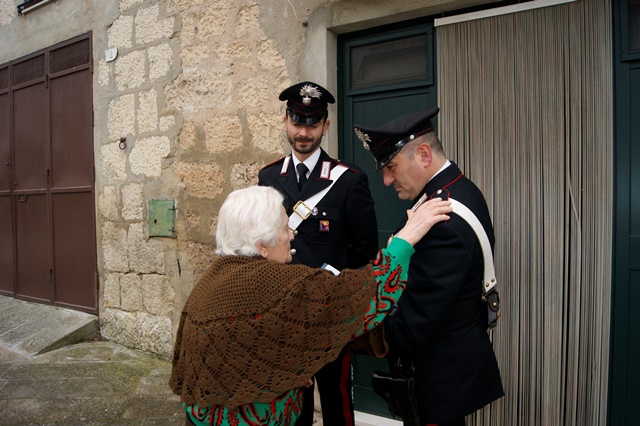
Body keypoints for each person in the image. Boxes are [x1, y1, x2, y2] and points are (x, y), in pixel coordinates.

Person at [169, 185, 452, 426]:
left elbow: (254, 346)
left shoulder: (209, 279)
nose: (292, 235)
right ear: (262, 245)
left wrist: (287, 372)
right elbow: (367, 292)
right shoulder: (283, 283)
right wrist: (407, 237)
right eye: (284, 228)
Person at [353, 107, 504, 426]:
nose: (386, 179)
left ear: (423, 154)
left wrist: (355, 326)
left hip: (436, 383)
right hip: (447, 370)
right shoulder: (454, 191)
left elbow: (412, 329)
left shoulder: (442, 221)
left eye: (391, 166)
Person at [258, 81, 378, 426]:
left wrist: (344, 304)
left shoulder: (348, 181)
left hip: (329, 315)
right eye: (297, 121)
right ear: (285, 121)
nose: (303, 132)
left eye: (312, 123)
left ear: (326, 125)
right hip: (284, 314)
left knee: (336, 399)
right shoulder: (268, 177)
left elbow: (364, 252)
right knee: (291, 400)